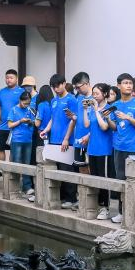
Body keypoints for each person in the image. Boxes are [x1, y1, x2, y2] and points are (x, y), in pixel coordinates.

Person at [109, 73, 135, 223]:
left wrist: (128, 118)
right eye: (125, 83)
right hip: (119, 147)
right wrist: (107, 118)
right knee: (120, 179)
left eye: (130, 83)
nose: (129, 86)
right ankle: (121, 211)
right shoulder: (116, 105)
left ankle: (134, 214)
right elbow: (114, 127)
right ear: (118, 85)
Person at [41, 74, 78, 209]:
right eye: (53, 87)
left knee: (67, 170)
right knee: (58, 169)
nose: (56, 89)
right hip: (54, 139)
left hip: (66, 141)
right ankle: (62, 197)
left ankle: (71, 198)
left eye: (58, 86)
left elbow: (73, 120)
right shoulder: (54, 100)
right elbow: (53, 118)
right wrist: (46, 130)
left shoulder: (71, 100)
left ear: (64, 84)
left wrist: (66, 139)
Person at [83, 83, 116, 220]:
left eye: (97, 93)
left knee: (104, 179)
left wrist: (96, 110)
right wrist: (85, 110)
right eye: (93, 93)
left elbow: (104, 127)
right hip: (92, 148)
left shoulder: (109, 109)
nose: (94, 96)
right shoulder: (92, 108)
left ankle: (106, 207)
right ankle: (97, 205)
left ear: (105, 94)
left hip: (105, 149)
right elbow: (87, 124)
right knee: (94, 178)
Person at [7, 90, 36, 197]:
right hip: (17, 139)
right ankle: (15, 187)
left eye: (28, 103)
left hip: (28, 140)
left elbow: (35, 123)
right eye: (24, 103)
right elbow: (9, 125)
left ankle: (27, 187)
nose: (26, 105)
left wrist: (30, 122)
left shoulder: (30, 109)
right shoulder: (14, 110)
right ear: (20, 100)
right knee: (16, 162)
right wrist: (20, 121)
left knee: (27, 164)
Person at [0, 69, 21, 176]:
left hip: (15, 127)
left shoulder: (21, 91)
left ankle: (11, 172)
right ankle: (0, 170)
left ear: (16, 79)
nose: (8, 80)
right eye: (7, 78)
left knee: (13, 150)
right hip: (2, 127)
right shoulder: (2, 92)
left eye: (11, 78)